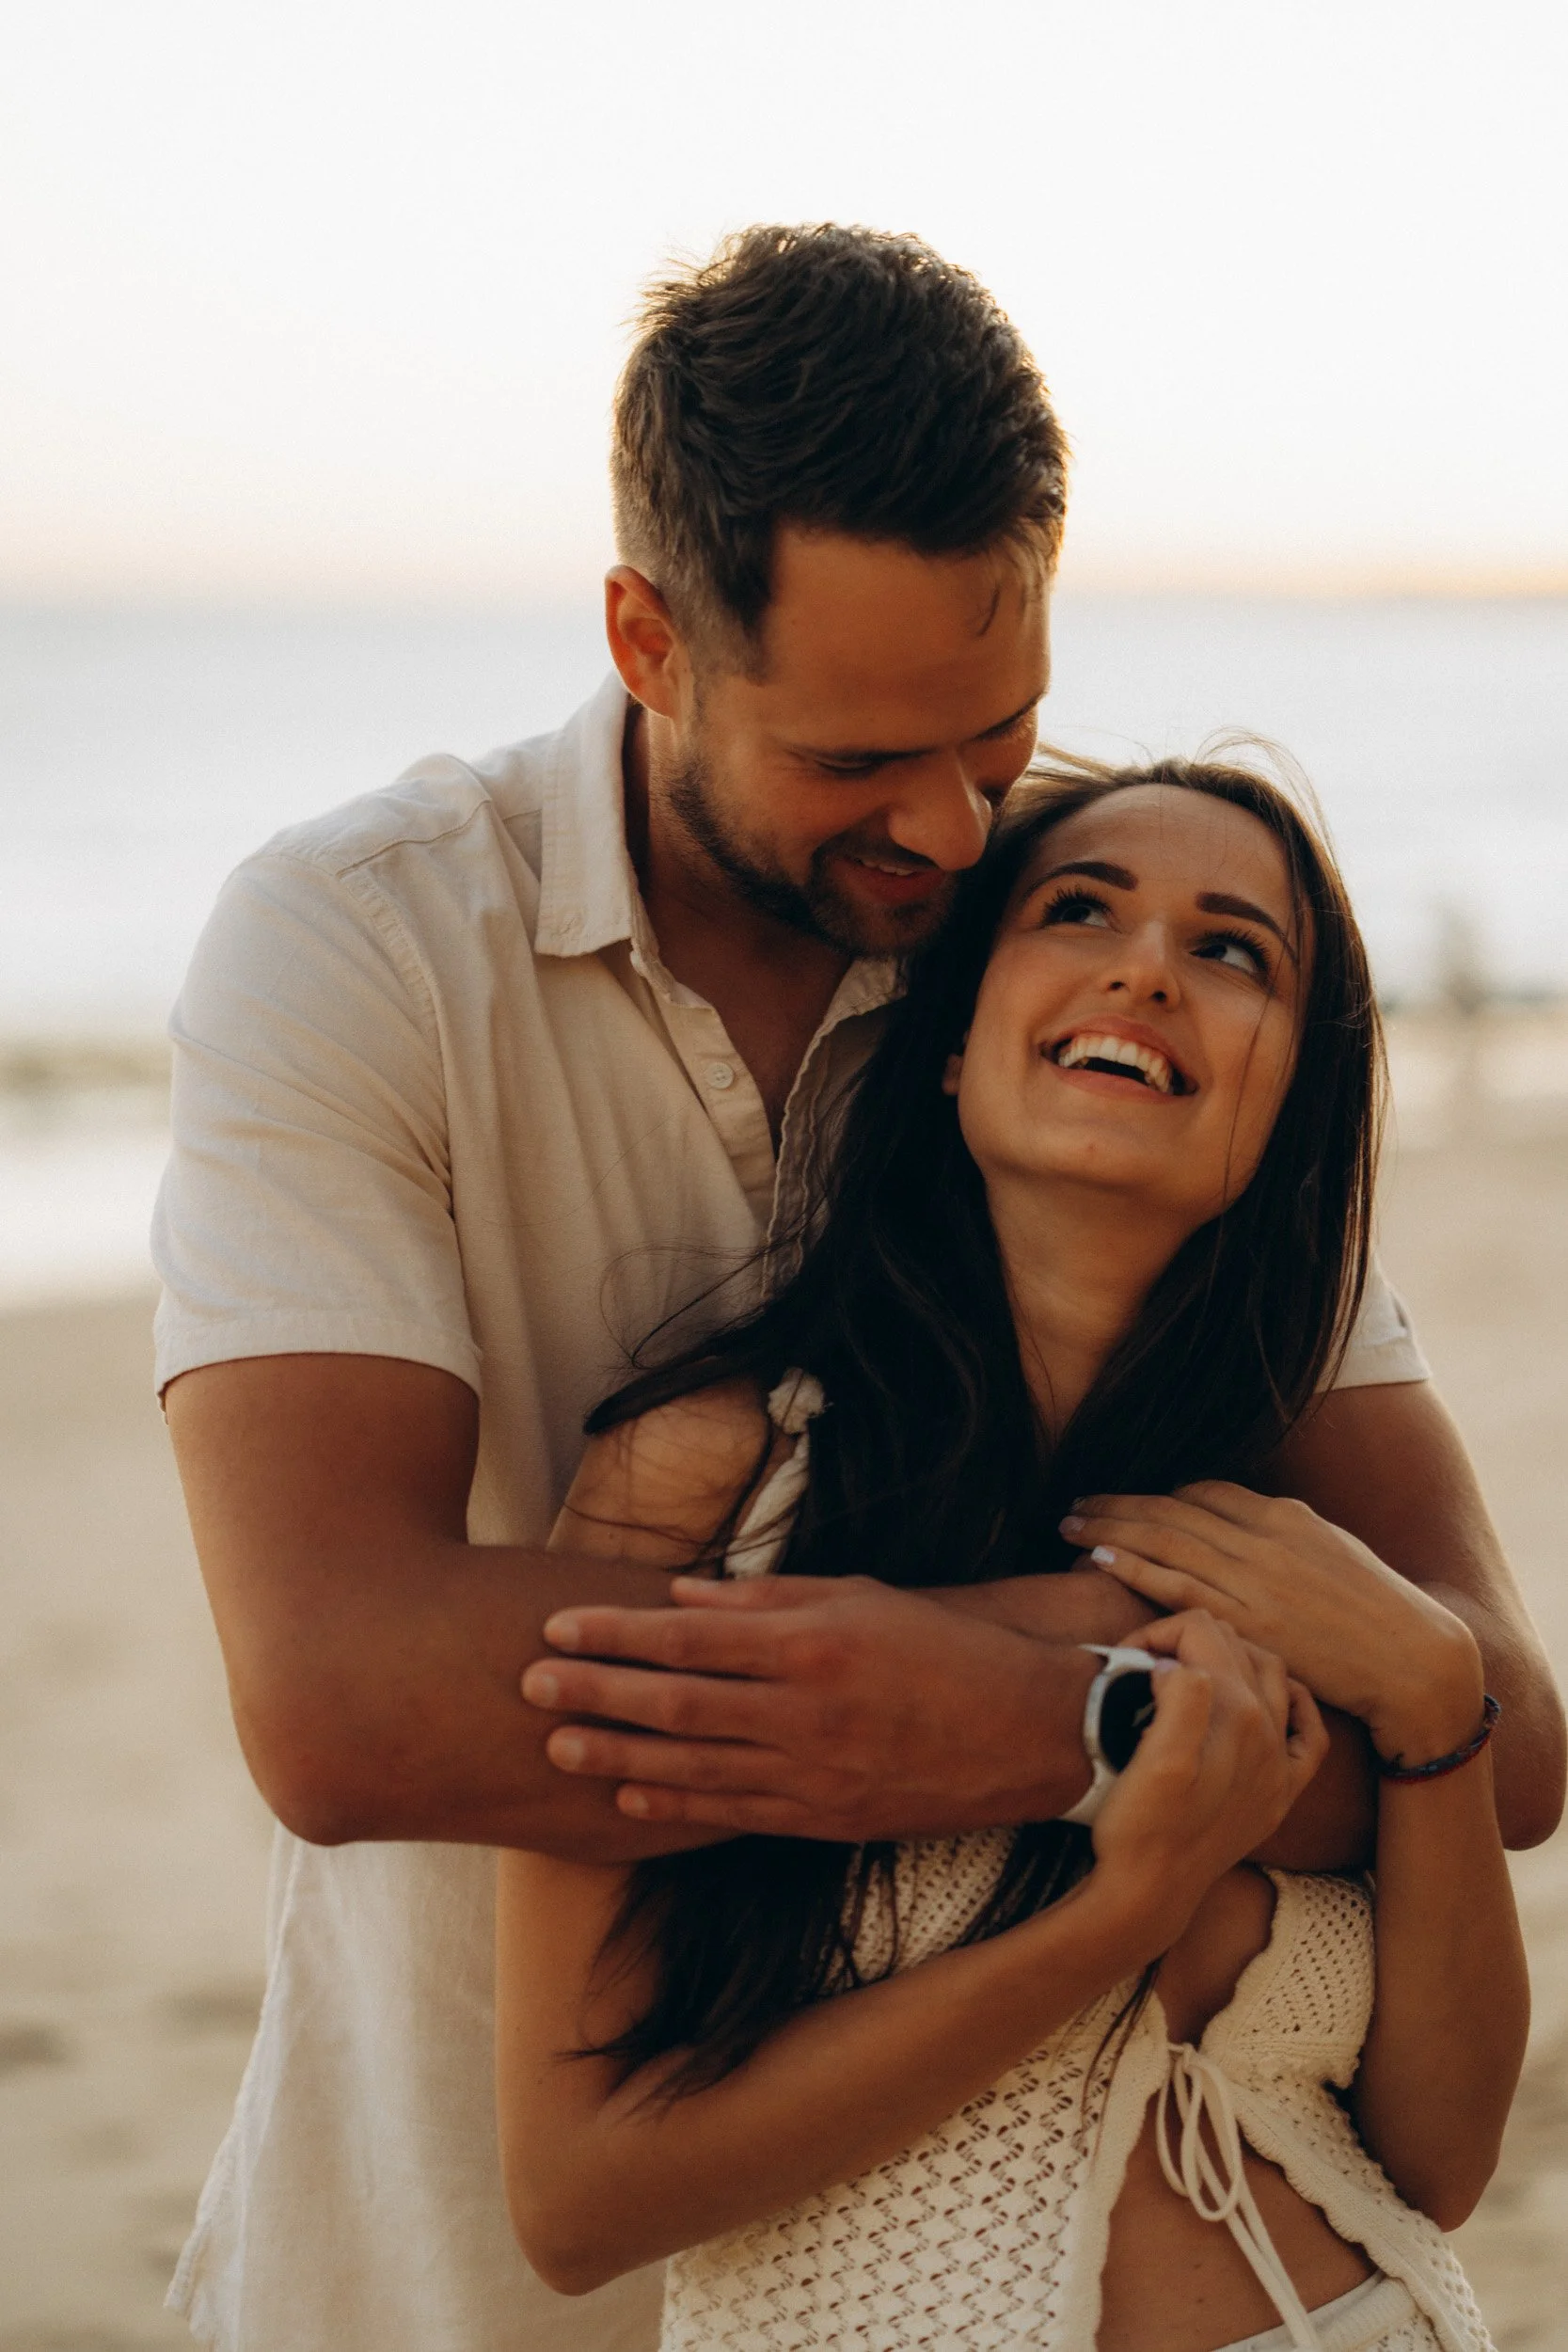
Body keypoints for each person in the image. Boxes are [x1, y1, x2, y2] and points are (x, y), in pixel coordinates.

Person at [153, 225, 1561, 2352]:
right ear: (647, 635)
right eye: (852, 761)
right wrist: (1066, 1706)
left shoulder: (1078, 953)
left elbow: (1490, 1715)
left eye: (998, 729)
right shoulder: (362, 946)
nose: (947, 822)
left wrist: (1024, 1716)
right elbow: (343, 1693)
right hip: (448, 2250)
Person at [496, 755, 1526, 2351]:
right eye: (1079, 911)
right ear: (952, 1039)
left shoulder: (1290, 1551)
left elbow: (1442, 2162)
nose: (1144, 971)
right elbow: (579, 2204)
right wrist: (1121, 1910)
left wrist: (1436, 1702)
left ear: (1285, 1105)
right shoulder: (713, 1475)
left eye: (1231, 948)